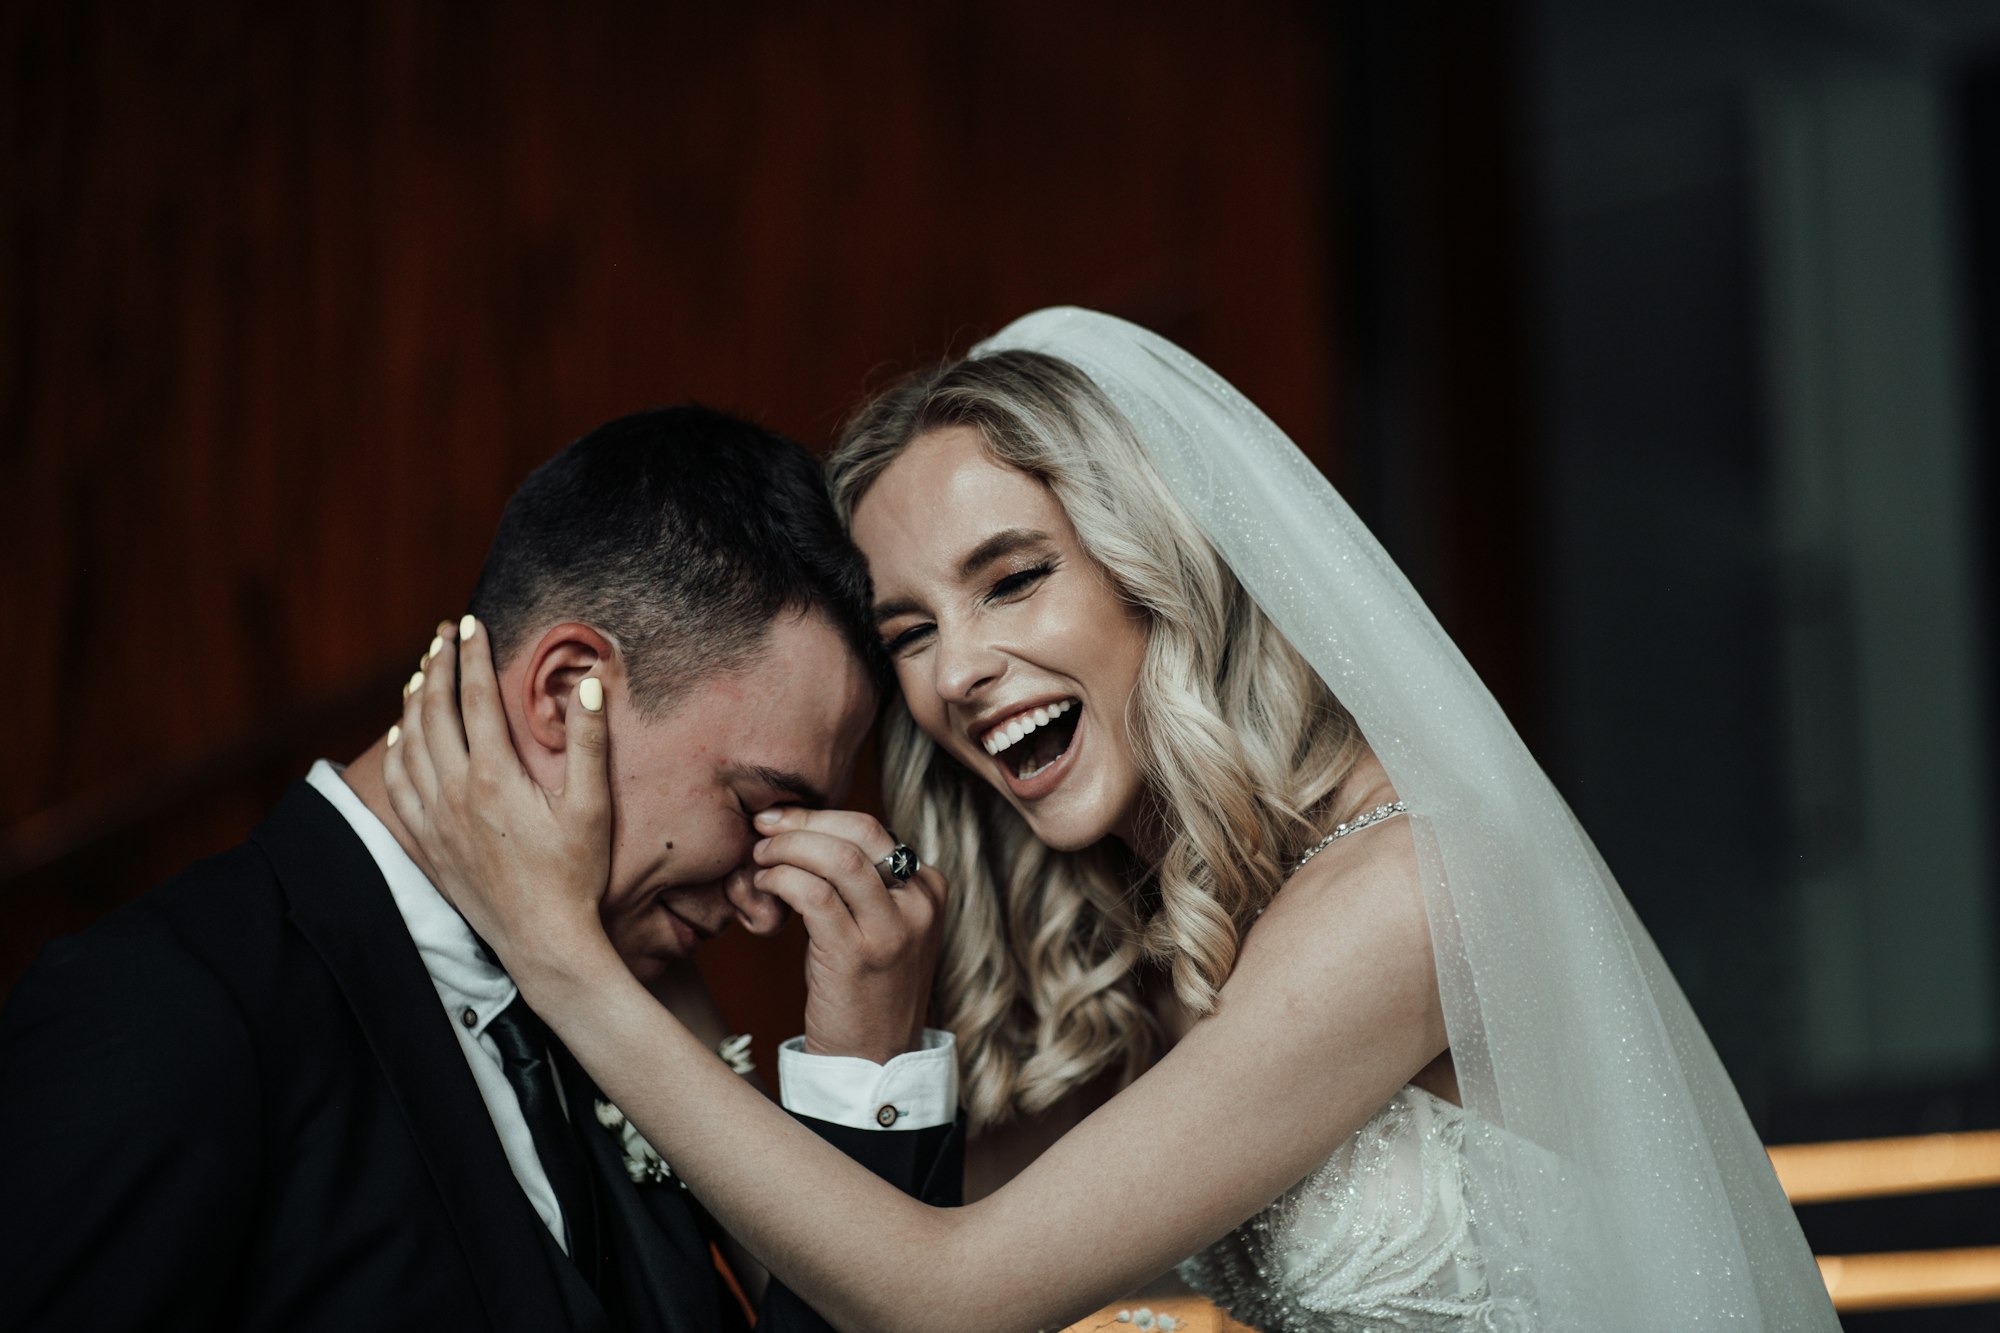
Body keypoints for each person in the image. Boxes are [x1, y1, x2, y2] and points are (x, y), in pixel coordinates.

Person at [386, 310, 1839, 1331]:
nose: (956, 671)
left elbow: (947, 1298)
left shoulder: (1407, 896)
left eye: (1013, 578)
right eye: (909, 629)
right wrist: (766, 1007)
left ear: (1161, 568)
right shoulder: (1195, 948)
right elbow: (866, 1254)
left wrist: (556, 952)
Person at [0, 407, 963, 1332]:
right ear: (565, 689)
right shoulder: (166, 1010)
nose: (765, 906)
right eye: (756, 806)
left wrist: (863, 1084)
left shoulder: (619, 1006)